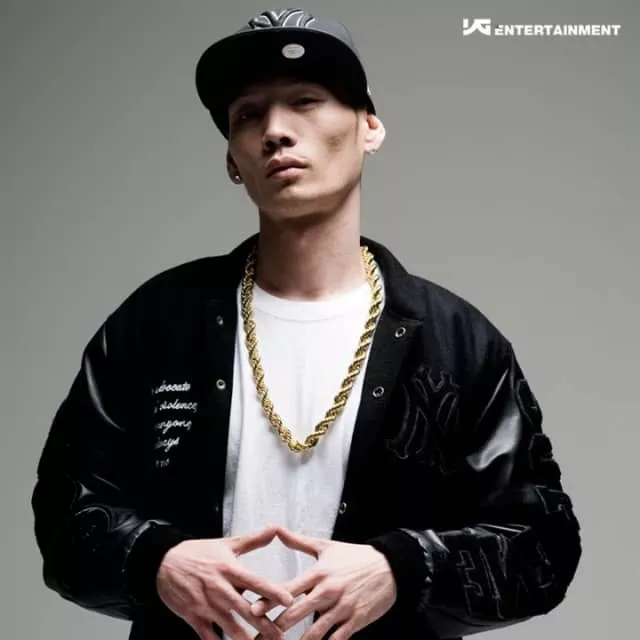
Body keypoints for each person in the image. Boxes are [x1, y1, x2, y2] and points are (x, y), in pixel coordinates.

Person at [31, 8, 582, 640]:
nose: (275, 131)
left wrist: (401, 568)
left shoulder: (456, 342)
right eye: (248, 115)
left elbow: (543, 546)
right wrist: (158, 560)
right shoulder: (158, 323)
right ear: (233, 160)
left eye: (305, 101)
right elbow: (63, 514)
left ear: (369, 128)